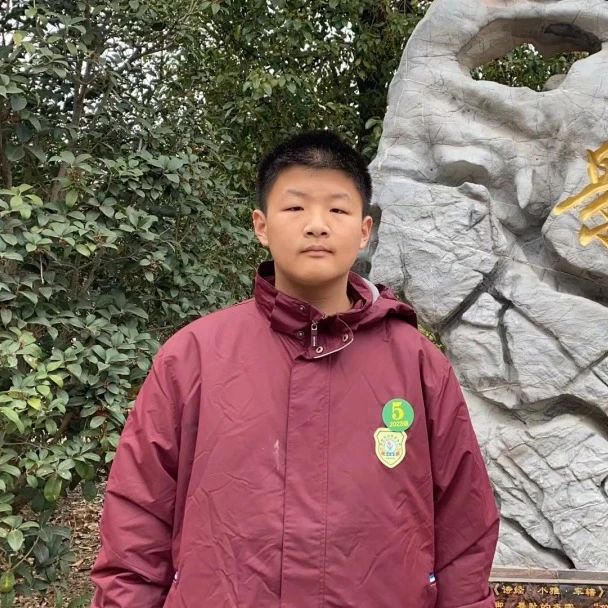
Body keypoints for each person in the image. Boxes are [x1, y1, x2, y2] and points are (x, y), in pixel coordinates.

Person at [90, 131, 499, 608]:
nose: (317, 225)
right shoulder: (192, 357)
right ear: (261, 225)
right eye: (295, 207)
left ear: (364, 230)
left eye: (338, 210)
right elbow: (136, 526)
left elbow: (464, 529)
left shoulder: (418, 364)